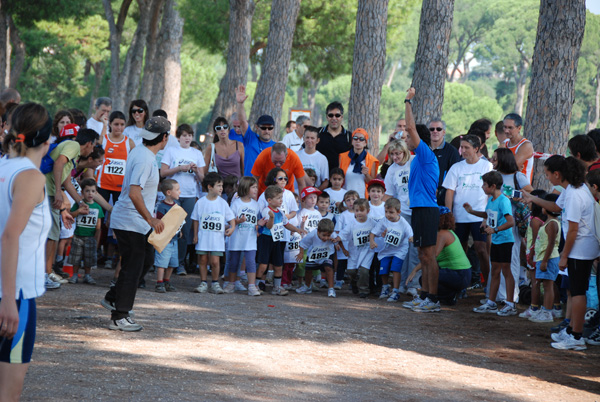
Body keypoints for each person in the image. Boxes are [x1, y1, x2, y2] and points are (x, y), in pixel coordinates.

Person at [0, 103, 51, 401]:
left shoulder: (4, 166)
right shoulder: (31, 177)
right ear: (47, 140)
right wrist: (9, 299)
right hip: (15, 293)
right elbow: (10, 236)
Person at [101, 116, 169, 332]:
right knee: (133, 267)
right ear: (164, 138)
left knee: (145, 259)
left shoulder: (142, 152)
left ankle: (113, 298)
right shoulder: (145, 159)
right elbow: (134, 192)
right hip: (131, 221)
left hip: (135, 222)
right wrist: (150, 218)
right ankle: (119, 315)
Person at [524, 156, 599, 350]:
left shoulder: (575, 194)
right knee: (575, 291)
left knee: (577, 292)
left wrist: (564, 256)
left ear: (557, 174)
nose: (547, 178)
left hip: (580, 249)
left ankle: (576, 336)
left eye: (548, 174)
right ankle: (572, 330)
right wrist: (533, 198)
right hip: (580, 247)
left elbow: (573, 230)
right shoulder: (573, 189)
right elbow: (556, 207)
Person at [402, 88, 441, 313]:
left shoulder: (426, 154)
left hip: (427, 209)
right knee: (422, 255)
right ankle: (425, 296)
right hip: (419, 209)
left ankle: (433, 300)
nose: (406, 138)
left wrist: (408, 101)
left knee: (429, 255)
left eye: (409, 137)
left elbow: (410, 127)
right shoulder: (418, 159)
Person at [45, 128, 97, 287]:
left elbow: (67, 182)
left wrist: (80, 202)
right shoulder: (73, 145)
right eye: (94, 146)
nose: (93, 150)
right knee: (52, 235)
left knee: (54, 234)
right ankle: (45, 275)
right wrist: (59, 192)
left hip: (50, 192)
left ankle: (47, 273)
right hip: (47, 191)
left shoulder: (73, 155)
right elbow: (59, 163)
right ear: (88, 144)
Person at [442, 135, 493, 292]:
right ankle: (461, 285)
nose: (462, 150)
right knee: (460, 249)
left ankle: (488, 284)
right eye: (461, 147)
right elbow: (449, 192)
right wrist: (449, 214)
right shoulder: (456, 167)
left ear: (476, 149)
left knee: (481, 248)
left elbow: (492, 192)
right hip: (459, 216)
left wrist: (488, 215)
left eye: (466, 148)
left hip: (480, 216)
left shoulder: (487, 166)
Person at [465, 171, 517, 316]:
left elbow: (510, 221)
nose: (482, 187)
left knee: (506, 271)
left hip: (505, 240)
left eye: (485, 185)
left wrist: (495, 229)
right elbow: (488, 215)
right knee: (494, 270)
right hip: (496, 240)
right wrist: (472, 211)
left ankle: (510, 303)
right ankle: (491, 302)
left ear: (493, 186)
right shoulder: (491, 200)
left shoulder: (503, 200)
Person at [161, 123, 205, 275]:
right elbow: (163, 173)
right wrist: (180, 168)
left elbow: (202, 179)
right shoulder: (171, 150)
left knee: (185, 231)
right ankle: (163, 261)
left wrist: (195, 170)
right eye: (184, 135)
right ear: (178, 137)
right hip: (172, 194)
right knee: (170, 228)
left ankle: (179, 263)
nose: (187, 138)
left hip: (190, 194)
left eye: (189, 135)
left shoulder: (197, 153)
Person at [406, 207, 472, 306]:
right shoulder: (444, 232)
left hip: (459, 274)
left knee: (426, 277)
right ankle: (448, 297)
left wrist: (415, 270)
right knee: (426, 276)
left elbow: (432, 256)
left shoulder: (442, 234)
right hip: (459, 273)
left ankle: (438, 298)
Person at [492, 147, 534, 300]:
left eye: (495, 158)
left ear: (503, 160)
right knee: (495, 259)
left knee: (511, 257)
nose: (492, 161)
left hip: (512, 223)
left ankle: (510, 296)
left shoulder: (518, 177)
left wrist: (520, 198)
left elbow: (531, 194)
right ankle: (495, 295)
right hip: (495, 222)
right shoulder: (494, 176)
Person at [383, 140, 419, 296]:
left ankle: (414, 283)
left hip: (417, 209)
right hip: (402, 212)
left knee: (415, 249)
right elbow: (389, 193)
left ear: (405, 152)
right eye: (392, 154)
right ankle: (403, 283)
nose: (395, 157)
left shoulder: (414, 161)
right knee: (402, 248)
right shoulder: (391, 170)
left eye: (397, 153)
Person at [191, 172, 236, 294]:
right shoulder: (200, 202)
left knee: (215, 261)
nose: (221, 188)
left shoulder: (223, 203)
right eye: (219, 185)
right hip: (203, 237)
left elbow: (232, 219)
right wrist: (195, 235)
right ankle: (203, 282)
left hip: (217, 238)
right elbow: (195, 219)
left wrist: (231, 228)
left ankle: (215, 283)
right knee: (203, 260)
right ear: (210, 187)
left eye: (222, 185)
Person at [256, 185, 305, 296]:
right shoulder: (266, 211)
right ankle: (256, 284)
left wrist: (297, 229)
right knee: (263, 264)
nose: (281, 201)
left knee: (279, 264)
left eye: (281, 198)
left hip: (277, 240)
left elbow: (286, 224)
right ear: (269, 200)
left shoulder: (280, 212)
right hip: (266, 239)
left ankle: (277, 287)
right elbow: (268, 226)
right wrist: (272, 218)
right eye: (278, 198)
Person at [526, 193, 561, 323]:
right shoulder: (547, 221)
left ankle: (547, 312)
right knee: (546, 285)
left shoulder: (552, 223)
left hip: (549, 258)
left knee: (548, 286)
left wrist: (545, 260)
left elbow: (551, 243)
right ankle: (545, 309)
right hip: (543, 257)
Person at [370, 198, 413, 302]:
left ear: (399, 212)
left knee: (395, 268)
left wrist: (411, 238)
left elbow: (410, 234)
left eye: (391, 212)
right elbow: (373, 232)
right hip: (386, 250)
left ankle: (395, 291)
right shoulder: (383, 221)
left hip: (400, 250)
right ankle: (385, 287)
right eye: (386, 212)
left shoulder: (403, 223)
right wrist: (372, 241)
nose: (388, 215)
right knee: (383, 269)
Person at [228, 177, 261, 296]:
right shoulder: (236, 204)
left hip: (250, 238)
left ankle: (251, 286)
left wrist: (259, 226)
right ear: (246, 188)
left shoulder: (256, 205)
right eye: (253, 187)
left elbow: (257, 220)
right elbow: (229, 221)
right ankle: (231, 283)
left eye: (256, 187)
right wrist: (238, 221)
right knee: (234, 261)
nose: (256, 189)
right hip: (237, 237)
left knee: (251, 261)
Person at [336, 198, 376, 298]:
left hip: (367, 251)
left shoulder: (372, 223)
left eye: (362, 210)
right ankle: (354, 284)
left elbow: (378, 231)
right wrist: (338, 238)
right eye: (357, 210)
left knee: (364, 271)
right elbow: (344, 233)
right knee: (351, 271)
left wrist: (383, 233)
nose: (359, 213)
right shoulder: (352, 224)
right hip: (354, 251)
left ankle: (364, 290)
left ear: (368, 211)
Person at [67, 179, 104, 285]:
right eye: (87, 191)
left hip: (91, 237)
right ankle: (74, 275)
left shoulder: (97, 207)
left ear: (96, 193)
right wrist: (78, 211)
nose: (90, 193)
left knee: (89, 257)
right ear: (82, 192)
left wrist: (97, 237)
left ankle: (87, 275)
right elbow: (71, 215)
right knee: (76, 256)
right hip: (78, 235)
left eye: (93, 191)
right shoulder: (78, 204)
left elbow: (98, 225)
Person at [233, 85, 276, 175]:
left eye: (270, 128)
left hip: (267, 186)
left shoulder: (276, 147)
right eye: (263, 128)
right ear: (257, 127)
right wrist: (240, 104)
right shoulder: (250, 138)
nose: (267, 131)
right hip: (249, 184)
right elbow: (242, 122)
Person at [97, 111, 136, 205]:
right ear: (110, 124)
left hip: (121, 186)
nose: (119, 127)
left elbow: (134, 163)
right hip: (103, 184)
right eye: (116, 124)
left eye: (122, 124)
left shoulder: (129, 142)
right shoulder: (103, 140)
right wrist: (104, 125)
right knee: (100, 215)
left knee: (118, 216)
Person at [152, 179, 181, 293]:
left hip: (174, 239)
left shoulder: (177, 205)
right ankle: (159, 283)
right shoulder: (161, 207)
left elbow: (178, 220)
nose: (179, 192)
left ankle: (166, 280)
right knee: (162, 263)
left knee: (173, 262)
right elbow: (160, 222)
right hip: (165, 240)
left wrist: (180, 230)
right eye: (177, 190)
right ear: (169, 192)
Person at [297, 219, 337, 297]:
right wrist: (301, 253)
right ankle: (307, 286)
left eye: (328, 235)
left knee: (328, 268)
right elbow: (302, 243)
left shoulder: (333, 234)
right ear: (318, 231)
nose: (326, 238)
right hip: (314, 253)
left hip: (327, 253)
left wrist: (335, 242)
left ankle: (331, 289)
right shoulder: (312, 234)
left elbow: (338, 240)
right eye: (324, 235)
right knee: (308, 270)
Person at [428, 118, 462, 206]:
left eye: (438, 129)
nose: (435, 131)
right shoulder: (424, 150)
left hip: (443, 198)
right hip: (425, 196)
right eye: (432, 129)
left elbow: (455, 177)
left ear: (444, 132)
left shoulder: (452, 151)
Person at [339, 128, 379, 198]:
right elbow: (339, 177)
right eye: (355, 138)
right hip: (345, 196)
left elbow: (373, 184)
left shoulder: (372, 160)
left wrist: (366, 174)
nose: (358, 141)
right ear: (352, 141)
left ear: (365, 142)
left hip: (362, 198)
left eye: (361, 139)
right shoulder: (342, 157)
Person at [316, 101, 353, 172]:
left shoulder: (349, 137)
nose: (334, 118)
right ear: (327, 117)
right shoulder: (317, 133)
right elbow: (304, 151)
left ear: (342, 117)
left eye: (337, 115)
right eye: (331, 115)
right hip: (320, 178)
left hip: (340, 179)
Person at [502, 113, 534, 182]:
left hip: (521, 189)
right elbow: (494, 164)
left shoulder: (526, 145)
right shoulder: (505, 142)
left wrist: (502, 153)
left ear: (519, 128)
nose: (506, 131)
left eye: (510, 128)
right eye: (505, 127)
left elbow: (510, 168)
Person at [295, 125, 329, 190]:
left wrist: (316, 192)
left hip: (313, 197)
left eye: (312, 138)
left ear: (317, 140)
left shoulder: (322, 158)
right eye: (307, 137)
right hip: (297, 195)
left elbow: (325, 181)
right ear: (303, 138)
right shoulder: (296, 156)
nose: (309, 140)